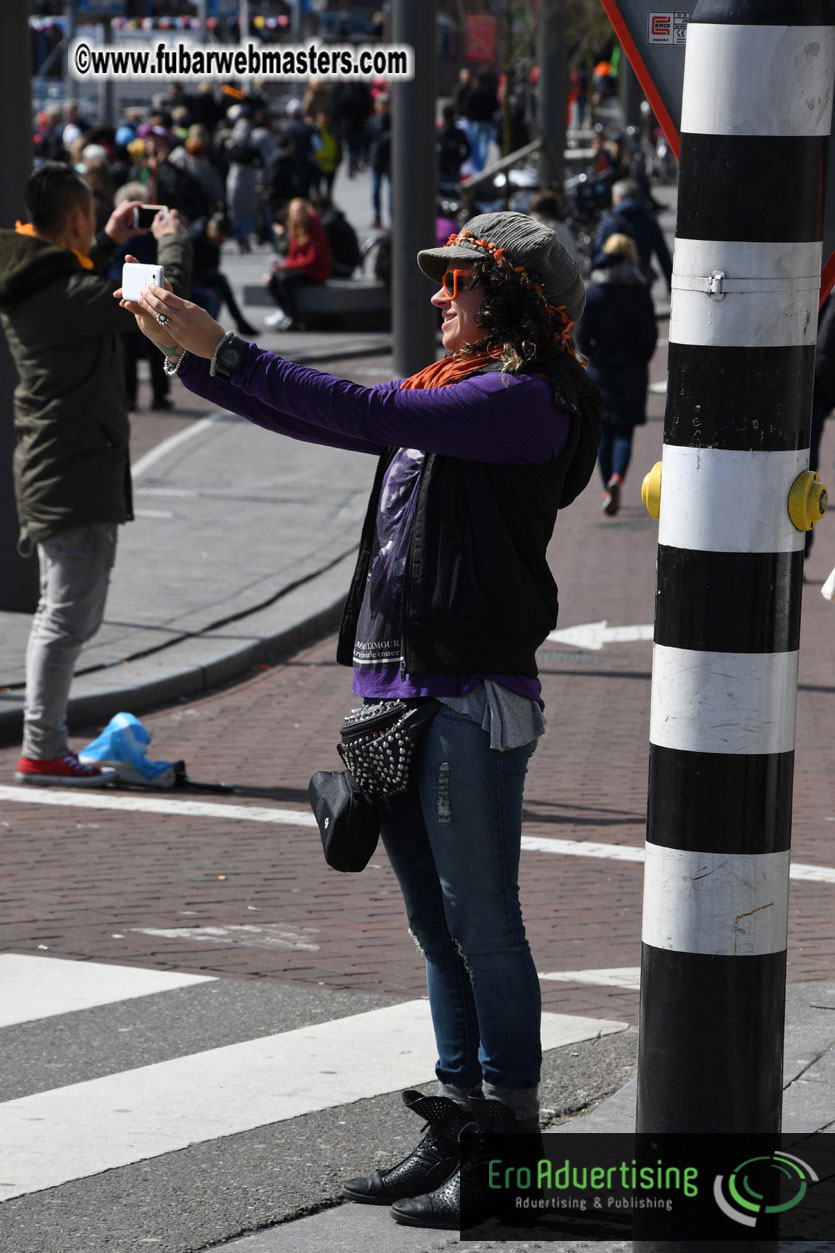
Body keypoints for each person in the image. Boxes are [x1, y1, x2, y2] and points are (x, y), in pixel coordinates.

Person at [119, 210, 602, 1229]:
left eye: (457, 282)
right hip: (398, 686)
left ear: (510, 295)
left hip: (469, 689)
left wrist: (231, 350)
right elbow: (336, 418)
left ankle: (508, 1150)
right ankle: (458, 1125)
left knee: (482, 922)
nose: (438, 295)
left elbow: (363, 410)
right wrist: (192, 357)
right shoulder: (450, 394)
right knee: (436, 928)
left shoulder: (525, 401)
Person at [0, 163, 192, 787]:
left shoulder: (42, 279)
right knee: (65, 617)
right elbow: (161, 305)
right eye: (92, 221)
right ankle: (43, 749)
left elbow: (90, 281)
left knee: (68, 612)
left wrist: (107, 242)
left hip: (67, 466)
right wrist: (171, 241)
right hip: (71, 471)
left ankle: (46, 744)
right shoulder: (64, 296)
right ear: (76, 220)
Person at [575, 233, 657, 516]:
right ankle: (618, 478)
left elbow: (582, 336)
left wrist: (591, 357)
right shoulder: (639, 292)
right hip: (631, 369)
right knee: (624, 431)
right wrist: (640, 358)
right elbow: (650, 336)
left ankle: (606, 487)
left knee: (601, 432)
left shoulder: (594, 292)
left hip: (600, 369)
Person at [264, 197, 332, 331]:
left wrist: (286, 265)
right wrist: (278, 269)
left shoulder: (314, 227)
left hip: (315, 272)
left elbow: (312, 259)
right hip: (300, 269)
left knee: (285, 280)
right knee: (272, 280)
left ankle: (294, 319)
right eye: (295, 212)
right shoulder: (295, 227)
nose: (298, 215)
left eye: (300, 211)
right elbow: (292, 255)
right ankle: (287, 314)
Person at [594, 178, 672, 292]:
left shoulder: (608, 222)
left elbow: (597, 254)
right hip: (642, 283)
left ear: (617, 197)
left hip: (613, 284)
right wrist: (670, 285)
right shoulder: (649, 221)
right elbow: (663, 254)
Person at [189, 212, 257, 335]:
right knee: (221, 283)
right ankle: (237, 323)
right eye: (218, 237)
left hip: (203, 275)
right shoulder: (195, 238)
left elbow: (214, 265)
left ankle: (220, 327)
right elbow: (192, 267)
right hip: (192, 277)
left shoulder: (213, 239)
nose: (219, 241)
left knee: (220, 286)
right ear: (211, 228)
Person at [367, 93, 392, 230]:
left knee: (391, 192)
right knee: (375, 190)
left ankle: (393, 218)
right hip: (376, 160)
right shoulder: (372, 120)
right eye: (380, 104)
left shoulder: (393, 120)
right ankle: (377, 216)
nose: (383, 107)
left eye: (385, 104)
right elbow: (367, 139)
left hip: (389, 161)